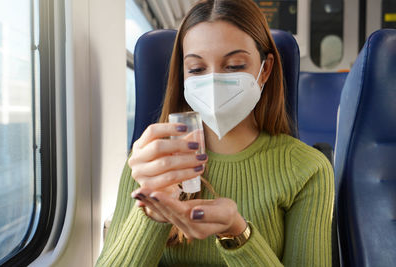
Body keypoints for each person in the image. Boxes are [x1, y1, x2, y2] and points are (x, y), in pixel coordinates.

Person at [96, 0, 334, 266]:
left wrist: (238, 234)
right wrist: (151, 215)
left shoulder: (309, 170)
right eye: (197, 69)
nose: (212, 83)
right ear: (184, 76)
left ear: (264, 70)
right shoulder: (152, 160)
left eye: (233, 66)